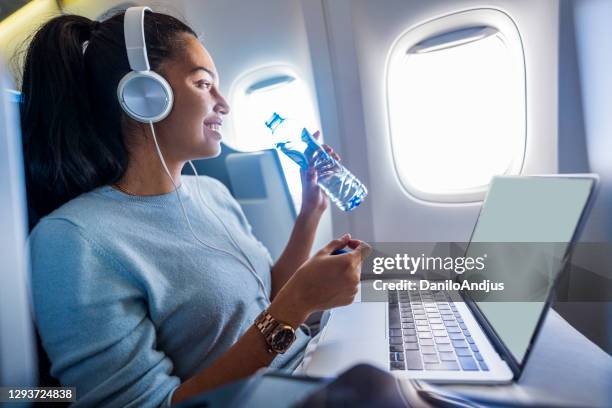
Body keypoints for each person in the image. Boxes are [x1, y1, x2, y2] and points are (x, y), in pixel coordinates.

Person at [23, 9, 370, 407]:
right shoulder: (73, 241)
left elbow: (265, 298)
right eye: (204, 84)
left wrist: (311, 212)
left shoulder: (211, 191)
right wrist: (299, 304)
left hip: (310, 367)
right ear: (144, 95)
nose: (224, 104)